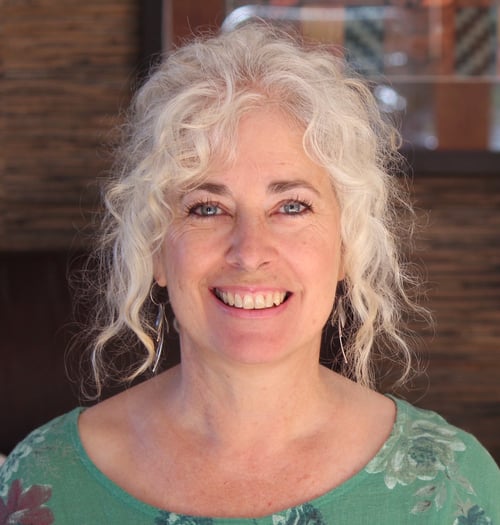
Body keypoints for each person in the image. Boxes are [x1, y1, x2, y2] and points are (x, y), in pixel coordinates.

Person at [1, 22, 498, 525]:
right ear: (154, 250)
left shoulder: (451, 485)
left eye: (292, 206)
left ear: (348, 246)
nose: (250, 251)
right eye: (206, 208)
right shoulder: (45, 482)